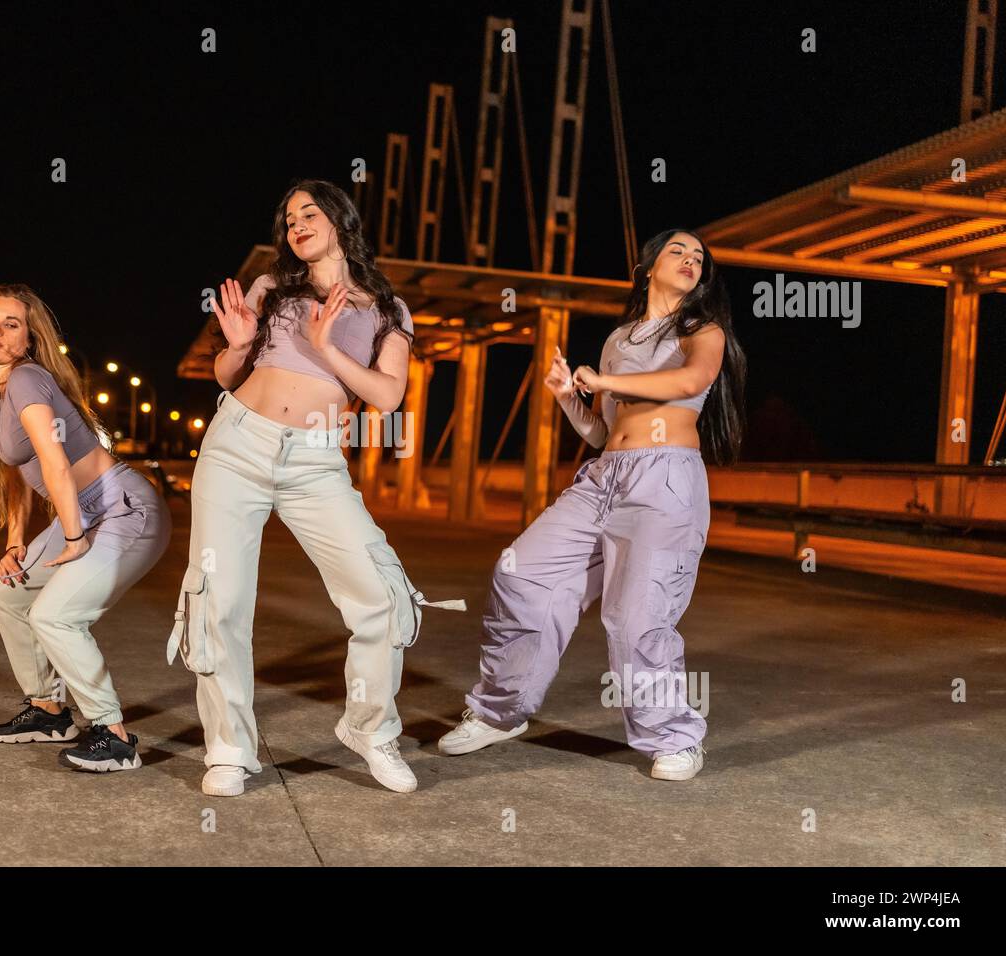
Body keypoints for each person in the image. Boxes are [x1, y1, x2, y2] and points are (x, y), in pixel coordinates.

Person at [171, 179, 463, 797]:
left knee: (382, 594)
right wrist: (240, 344)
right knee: (218, 599)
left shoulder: (386, 308)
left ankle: (371, 729)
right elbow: (227, 373)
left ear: (340, 220)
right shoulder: (273, 288)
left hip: (315, 460)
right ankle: (228, 749)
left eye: (309, 212)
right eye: (288, 217)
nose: (296, 222)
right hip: (237, 445)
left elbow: (387, 395)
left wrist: (329, 347)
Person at [438, 229, 746, 781]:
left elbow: (692, 379)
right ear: (647, 267)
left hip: (664, 484)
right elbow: (603, 432)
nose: (690, 260)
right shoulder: (618, 338)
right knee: (522, 572)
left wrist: (606, 380)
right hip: (605, 478)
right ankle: (501, 711)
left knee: (637, 616)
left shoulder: (703, 332)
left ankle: (672, 736)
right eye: (677, 251)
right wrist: (565, 396)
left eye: (699, 256)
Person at [0, 283, 171, 772]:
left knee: (54, 615)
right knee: (9, 592)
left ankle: (114, 736)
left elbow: (53, 460)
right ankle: (49, 711)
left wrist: (74, 537)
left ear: (29, 339)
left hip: (121, 509)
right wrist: (15, 542)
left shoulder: (27, 379)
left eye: (12, 324)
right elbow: (16, 474)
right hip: (82, 509)